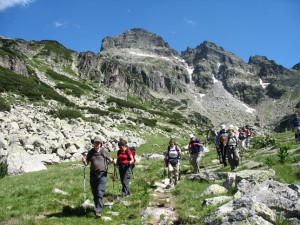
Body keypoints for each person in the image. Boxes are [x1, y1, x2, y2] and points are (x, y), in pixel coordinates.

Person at [82, 136, 115, 218]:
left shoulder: (104, 151)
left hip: (102, 175)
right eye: (95, 143)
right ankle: (98, 206)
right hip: (93, 175)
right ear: (93, 144)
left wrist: (113, 161)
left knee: (100, 192)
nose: (96, 144)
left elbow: (110, 160)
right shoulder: (91, 152)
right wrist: (84, 161)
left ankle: (98, 211)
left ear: (101, 144)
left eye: (98, 143)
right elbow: (87, 163)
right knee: (95, 193)